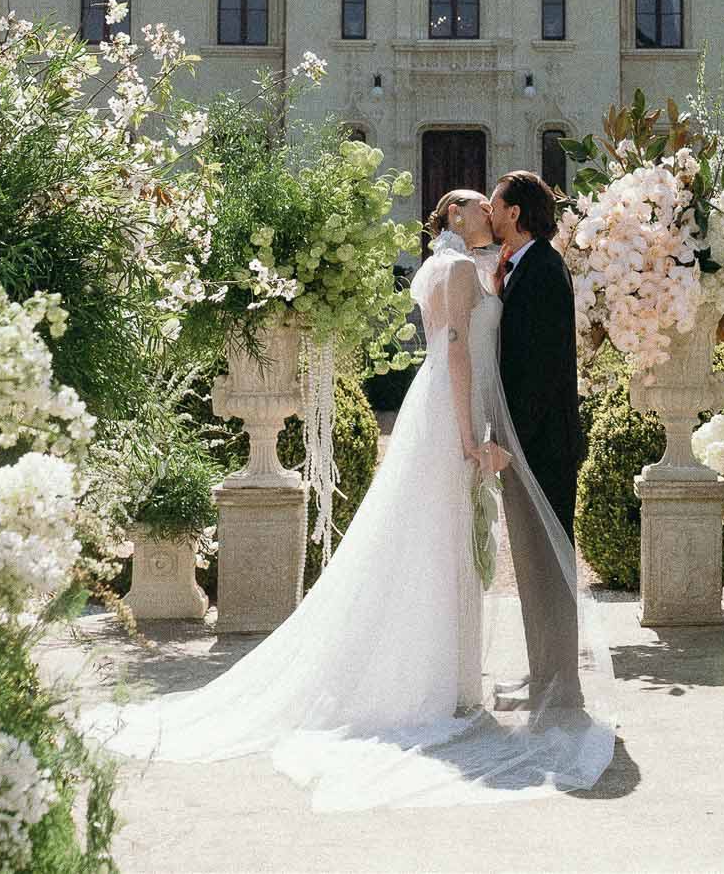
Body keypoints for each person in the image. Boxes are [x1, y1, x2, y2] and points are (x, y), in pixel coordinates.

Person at [90, 190, 613, 811]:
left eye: (493, 203)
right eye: (478, 204)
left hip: (490, 425)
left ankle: (461, 680)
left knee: (454, 547)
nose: (489, 211)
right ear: (456, 217)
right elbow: (453, 350)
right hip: (454, 420)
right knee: (434, 544)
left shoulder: (498, 268)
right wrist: (475, 438)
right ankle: (435, 681)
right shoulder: (455, 269)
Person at [487, 170, 586, 710]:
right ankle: (543, 673)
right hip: (531, 445)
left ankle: (558, 685)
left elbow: (543, 372)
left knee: (548, 567)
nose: (492, 215)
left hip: (541, 448)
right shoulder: (525, 267)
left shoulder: (544, 271)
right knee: (534, 567)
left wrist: (510, 442)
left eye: (497, 206)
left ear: (515, 213)